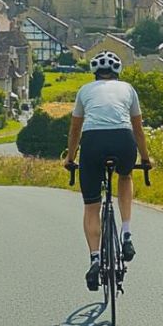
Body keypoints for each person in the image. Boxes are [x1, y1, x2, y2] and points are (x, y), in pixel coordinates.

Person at [63, 50, 151, 292]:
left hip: (92, 143)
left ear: (94, 73)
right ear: (117, 72)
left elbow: (74, 131)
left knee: (92, 205)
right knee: (125, 175)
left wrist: (70, 158)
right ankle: (126, 233)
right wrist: (145, 158)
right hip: (123, 140)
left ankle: (95, 259)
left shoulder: (84, 91)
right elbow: (138, 129)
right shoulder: (128, 89)